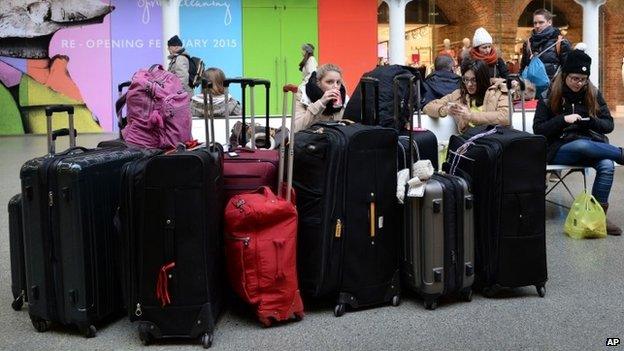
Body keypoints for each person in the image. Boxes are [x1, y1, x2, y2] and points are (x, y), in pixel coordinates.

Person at [533, 49, 624, 235]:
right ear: (565, 75)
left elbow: (608, 124)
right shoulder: (548, 95)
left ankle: (598, 218)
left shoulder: (592, 93)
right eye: (575, 78)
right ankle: (621, 154)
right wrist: (563, 120)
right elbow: (539, 129)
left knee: (607, 164)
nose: (579, 83)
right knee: (581, 145)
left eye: (583, 79)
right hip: (558, 147)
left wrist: (592, 122)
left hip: (591, 145)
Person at [423, 58, 509, 132]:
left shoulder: (499, 90)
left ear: (482, 79)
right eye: (466, 79)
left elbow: (505, 117)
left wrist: (469, 116)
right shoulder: (459, 94)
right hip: (470, 142)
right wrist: (446, 110)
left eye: (474, 80)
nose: (469, 84)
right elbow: (428, 107)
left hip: (496, 141)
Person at [520, 8, 572, 81]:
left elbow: (568, 70)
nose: (537, 26)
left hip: (552, 88)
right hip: (531, 88)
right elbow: (523, 67)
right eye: (535, 23)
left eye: (541, 22)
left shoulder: (560, 42)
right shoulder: (528, 43)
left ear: (549, 22)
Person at [294, 63, 347, 132]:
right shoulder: (303, 96)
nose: (335, 86)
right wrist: (321, 102)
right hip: (311, 140)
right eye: (330, 82)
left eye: (338, 82)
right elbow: (296, 128)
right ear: (318, 83)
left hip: (335, 139)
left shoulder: (343, 97)